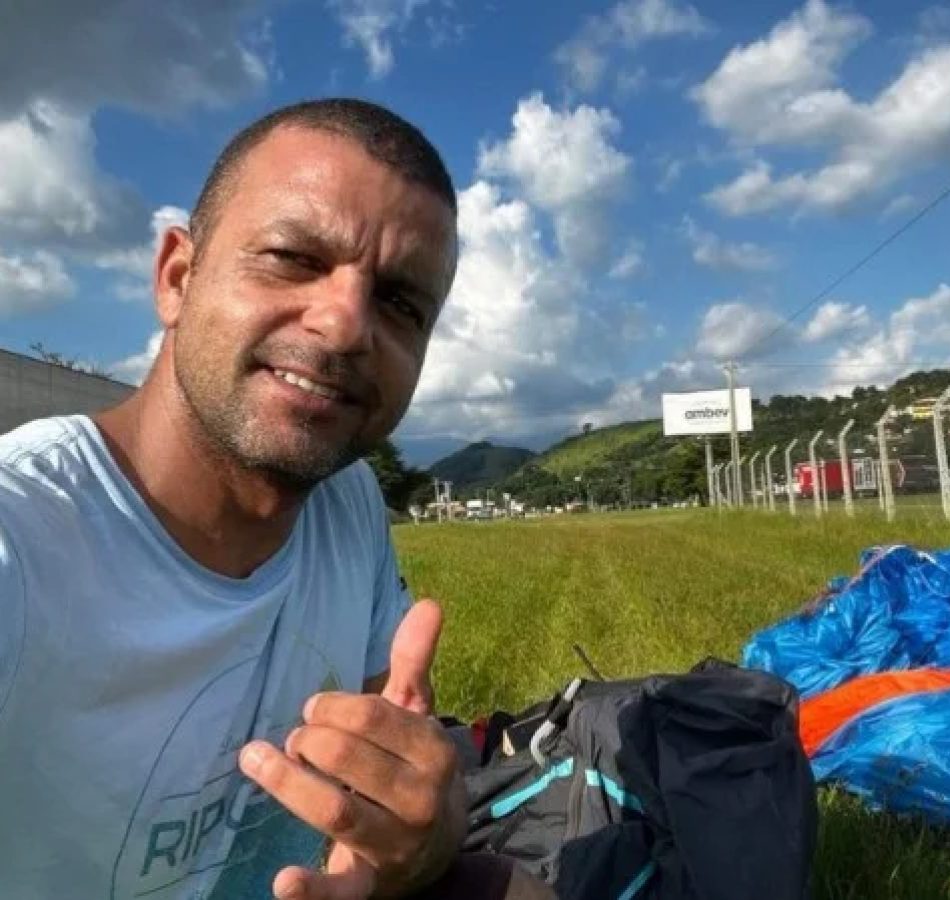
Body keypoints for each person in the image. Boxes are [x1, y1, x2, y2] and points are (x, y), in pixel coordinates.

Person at [0, 98, 554, 900]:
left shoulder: (347, 501)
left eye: (401, 302)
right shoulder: (23, 542)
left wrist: (418, 836)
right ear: (177, 277)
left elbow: (388, 830)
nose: (345, 325)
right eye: (293, 257)